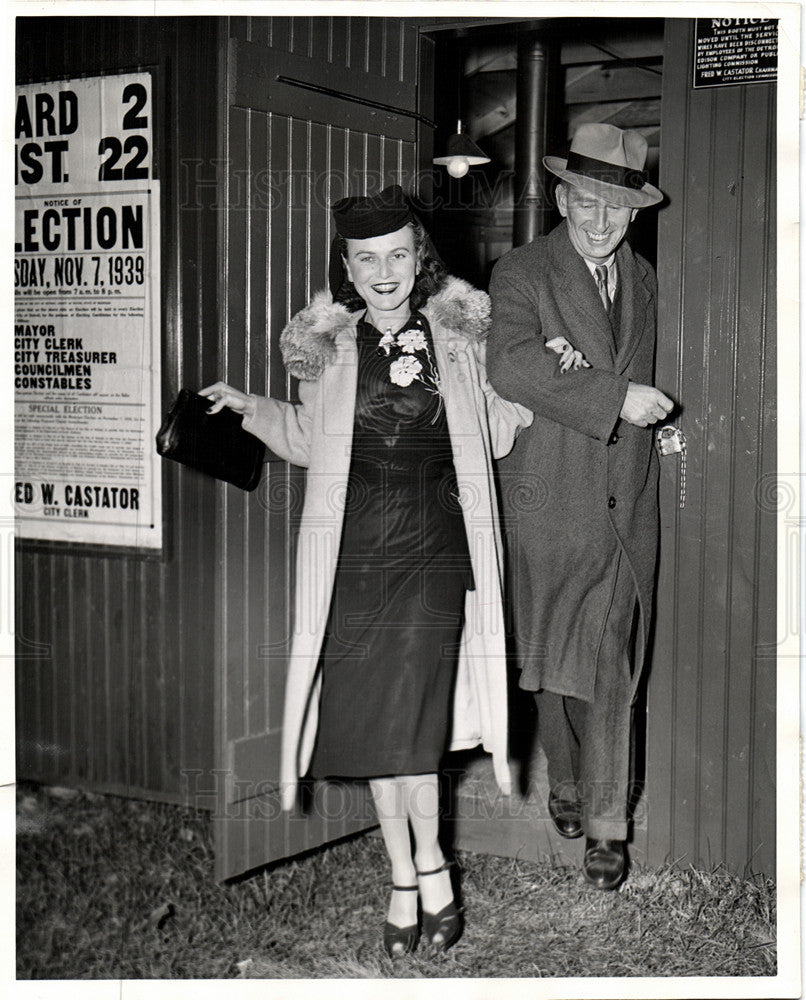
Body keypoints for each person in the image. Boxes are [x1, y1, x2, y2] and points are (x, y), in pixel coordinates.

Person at [201, 185, 531, 956]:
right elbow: (313, 441)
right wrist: (249, 406)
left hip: (434, 550)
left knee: (413, 728)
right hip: (354, 555)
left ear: (420, 257)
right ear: (346, 265)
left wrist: (537, 379)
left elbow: (506, 431)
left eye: (396, 254)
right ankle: (406, 875)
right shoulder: (329, 343)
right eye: (365, 258)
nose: (383, 271)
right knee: (380, 727)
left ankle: (432, 870)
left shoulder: (460, 333)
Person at [486, 124, 674, 890]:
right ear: (563, 197)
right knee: (548, 667)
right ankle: (563, 775)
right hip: (547, 501)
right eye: (587, 202)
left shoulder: (649, 281)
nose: (600, 222)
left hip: (627, 499)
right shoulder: (521, 271)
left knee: (608, 663)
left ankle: (605, 825)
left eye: (617, 208)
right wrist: (614, 397)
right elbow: (510, 363)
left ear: (636, 213)